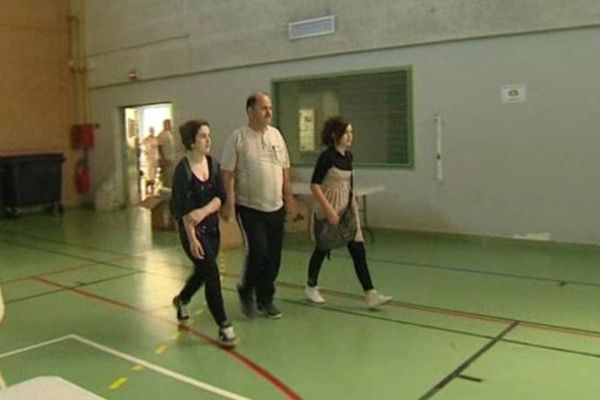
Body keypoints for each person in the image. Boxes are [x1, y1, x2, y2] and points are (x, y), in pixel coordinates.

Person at [221, 91, 298, 319]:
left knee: (274, 257)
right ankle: (247, 290)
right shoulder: (238, 137)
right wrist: (228, 202)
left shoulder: (276, 136)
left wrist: (290, 199)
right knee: (258, 252)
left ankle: (266, 300)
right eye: (264, 108)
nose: (269, 112)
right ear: (250, 111)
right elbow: (227, 173)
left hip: (276, 207)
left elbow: (285, 170)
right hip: (249, 208)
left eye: (270, 108)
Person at [304, 116, 392, 309]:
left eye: (352, 132)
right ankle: (311, 286)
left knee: (358, 249)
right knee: (322, 248)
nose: (351, 136)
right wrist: (328, 211)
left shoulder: (348, 157)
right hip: (328, 209)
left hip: (347, 210)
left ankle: (370, 293)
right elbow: (315, 185)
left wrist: (351, 208)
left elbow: (348, 184)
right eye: (347, 132)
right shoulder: (326, 157)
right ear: (336, 135)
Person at [170, 119, 237, 347]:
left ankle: (182, 299)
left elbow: (220, 196)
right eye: (202, 136)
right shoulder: (183, 171)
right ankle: (224, 325)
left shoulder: (213, 165)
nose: (208, 140)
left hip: (212, 230)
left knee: (202, 271)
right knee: (211, 272)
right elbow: (181, 211)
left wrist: (204, 210)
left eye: (209, 135)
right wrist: (191, 239)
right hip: (193, 233)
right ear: (191, 142)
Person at [157, 118, 176, 188]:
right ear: (166, 125)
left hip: (170, 159)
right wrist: (164, 160)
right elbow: (159, 148)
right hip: (166, 160)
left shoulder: (169, 134)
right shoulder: (162, 135)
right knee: (167, 179)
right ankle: (166, 196)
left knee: (170, 179)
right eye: (170, 124)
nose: (171, 126)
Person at [142, 127, 159, 195]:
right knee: (149, 173)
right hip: (149, 158)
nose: (152, 132)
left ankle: (152, 187)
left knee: (154, 173)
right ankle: (147, 186)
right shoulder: (146, 139)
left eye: (153, 131)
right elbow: (145, 148)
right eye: (151, 131)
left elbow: (157, 148)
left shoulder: (155, 139)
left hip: (154, 158)